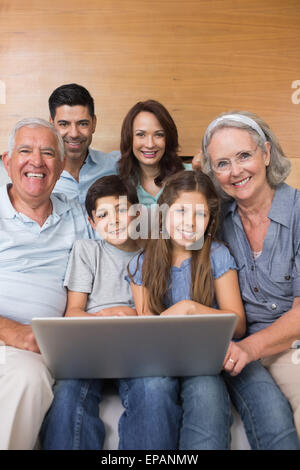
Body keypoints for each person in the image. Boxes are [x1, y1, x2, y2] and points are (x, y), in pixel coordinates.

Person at [40, 175, 181, 450]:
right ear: (92, 223)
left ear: (137, 214)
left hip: (140, 346)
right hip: (91, 343)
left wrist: (133, 315)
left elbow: (157, 313)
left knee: (156, 388)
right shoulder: (87, 251)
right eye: (103, 215)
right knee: (68, 393)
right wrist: (106, 317)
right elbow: (73, 313)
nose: (114, 220)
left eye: (121, 210)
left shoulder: (155, 253)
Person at [200, 110, 300, 447]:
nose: (236, 171)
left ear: (267, 152)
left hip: (288, 346)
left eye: (245, 155)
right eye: (222, 163)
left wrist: (250, 348)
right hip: (236, 350)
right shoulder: (213, 222)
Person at [127, 169, 246, 450]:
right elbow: (146, 327)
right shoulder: (141, 263)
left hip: (205, 361)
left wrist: (191, 307)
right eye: (180, 211)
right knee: (153, 388)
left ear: (210, 220)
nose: (189, 223)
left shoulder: (216, 255)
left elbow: (238, 323)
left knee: (208, 394)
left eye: (200, 215)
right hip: (159, 359)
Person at [0, 118, 91, 450]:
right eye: (25, 151)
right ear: (8, 162)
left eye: (48, 153)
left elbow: (114, 258)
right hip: (10, 339)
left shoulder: (79, 216)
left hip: (42, 347)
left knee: (29, 374)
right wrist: (10, 330)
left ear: (62, 165)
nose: (36, 161)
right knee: (27, 375)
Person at [49, 83, 120, 204]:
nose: (74, 134)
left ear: (94, 123)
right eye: (64, 124)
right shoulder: (40, 173)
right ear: (51, 124)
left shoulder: (117, 165)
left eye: (82, 123)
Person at [118, 99, 192, 207]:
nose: (150, 144)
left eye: (159, 135)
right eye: (141, 134)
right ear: (129, 138)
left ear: (168, 138)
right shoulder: (119, 182)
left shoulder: (191, 173)